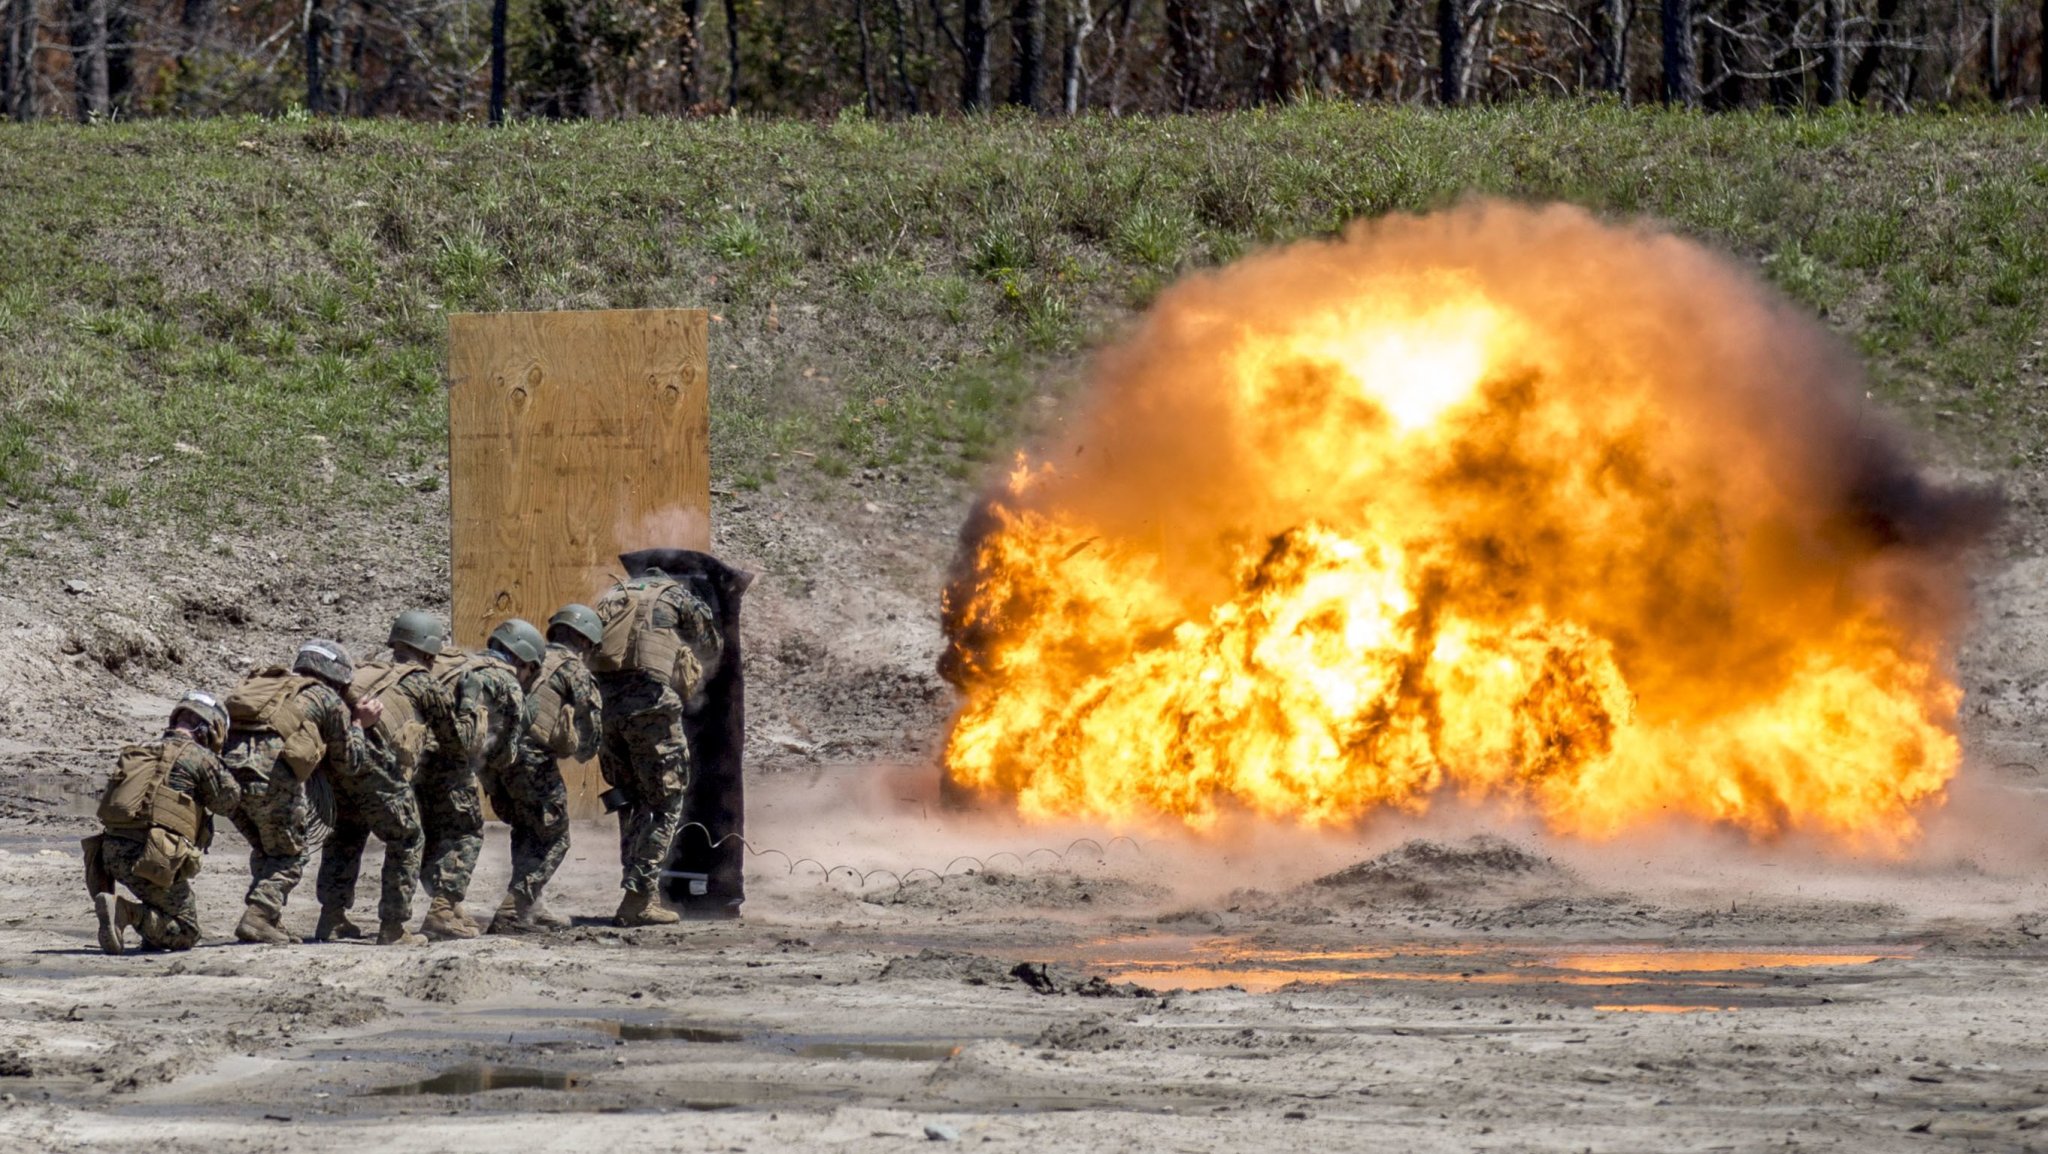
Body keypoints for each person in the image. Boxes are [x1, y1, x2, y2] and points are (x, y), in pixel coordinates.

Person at [590, 558, 723, 927]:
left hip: (606, 711)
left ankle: (635, 887)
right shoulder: (676, 596)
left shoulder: (610, 596)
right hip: (652, 709)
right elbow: (711, 644)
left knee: (628, 799)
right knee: (664, 802)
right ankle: (638, 898)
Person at [221, 640, 379, 945]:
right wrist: (360, 723)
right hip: (270, 780)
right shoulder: (324, 698)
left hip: (227, 780)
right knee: (290, 854)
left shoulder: (267, 685)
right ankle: (259, 915)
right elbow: (351, 762)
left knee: (269, 847)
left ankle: (270, 920)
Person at [312, 613, 453, 947]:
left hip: (341, 760)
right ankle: (394, 927)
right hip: (375, 767)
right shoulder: (424, 681)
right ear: (431, 653)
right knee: (407, 836)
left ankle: (331, 919)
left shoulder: (365, 671)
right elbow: (452, 738)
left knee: (346, 832)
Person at [83, 691, 242, 954]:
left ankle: (148, 927)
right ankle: (127, 913)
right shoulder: (200, 757)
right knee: (187, 931)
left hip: (108, 854)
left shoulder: (142, 748)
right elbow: (228, 803)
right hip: (152, 857)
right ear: (209, 730)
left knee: (163, 900)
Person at [414, 617, 536, 940]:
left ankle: (448, 907)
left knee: (434, 833)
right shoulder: (506, 681)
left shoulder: (460, 665)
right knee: (466, 834)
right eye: (530, 669)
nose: (527, 677)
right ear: (521, 660)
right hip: (451, 766)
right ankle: (442, 910)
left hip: (417, 763)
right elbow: (505, 755)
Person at [480, 610, 596, 934]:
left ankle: (532, 906)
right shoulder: (573, 669)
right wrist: (574, 746)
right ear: (585, 640)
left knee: (527, 828)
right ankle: (514, 906)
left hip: (496, 759)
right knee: (556, 836)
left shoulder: (526, 659)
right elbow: (591, 737)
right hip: (532, 762)